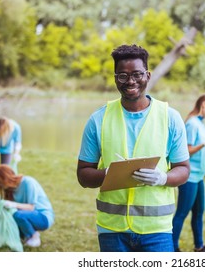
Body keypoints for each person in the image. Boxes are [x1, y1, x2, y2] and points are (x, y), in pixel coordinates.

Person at [76, 44, 190, 252]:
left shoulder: (170, 118)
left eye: (137, 74)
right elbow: (83, 176)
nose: (130, 81)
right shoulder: (98, 120)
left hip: (157, 230)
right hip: (112, 230)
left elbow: (183, 169)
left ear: (147, 75)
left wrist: (163, 178)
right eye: (123, 76)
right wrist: (108, 174)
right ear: (115, 78)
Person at [172, 93, 205, 252]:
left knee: (199, 212)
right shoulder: (192, 124)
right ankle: (172, 248)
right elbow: (187, 150)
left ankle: (199, 246)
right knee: (181, 213)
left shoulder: (201, 123)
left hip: (199, 176)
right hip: (189, 176)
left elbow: (201, 149)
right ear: (204, 105)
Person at [0, 164, 54, 247]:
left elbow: (31, 207)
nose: (0, 186)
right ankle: (26, 234)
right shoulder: (10, 189)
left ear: (6, 178)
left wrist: (13, 204)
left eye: (0, 182)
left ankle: (34, 236)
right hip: (26, 215)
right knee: (10, 223)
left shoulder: (28, 182)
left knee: (18, 215)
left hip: (43, 217)